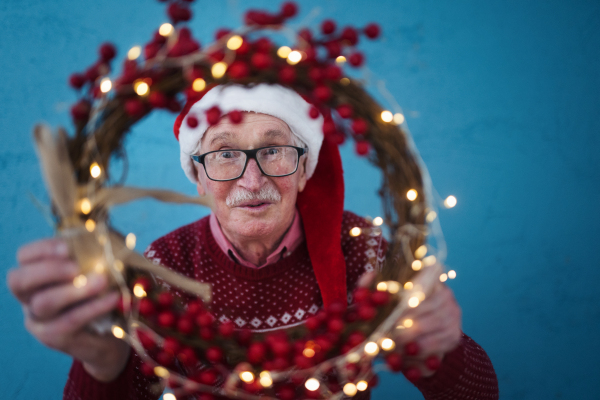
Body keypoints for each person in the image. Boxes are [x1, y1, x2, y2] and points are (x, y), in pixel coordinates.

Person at [8, 84, 499, 400]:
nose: (251, 180)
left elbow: (480, 395)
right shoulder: (161, 269)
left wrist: (441, 347)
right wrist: (102, 361)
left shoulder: (365, 252)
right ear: (197, 177)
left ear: (304, 170)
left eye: (273, 150)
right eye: (224, 155)